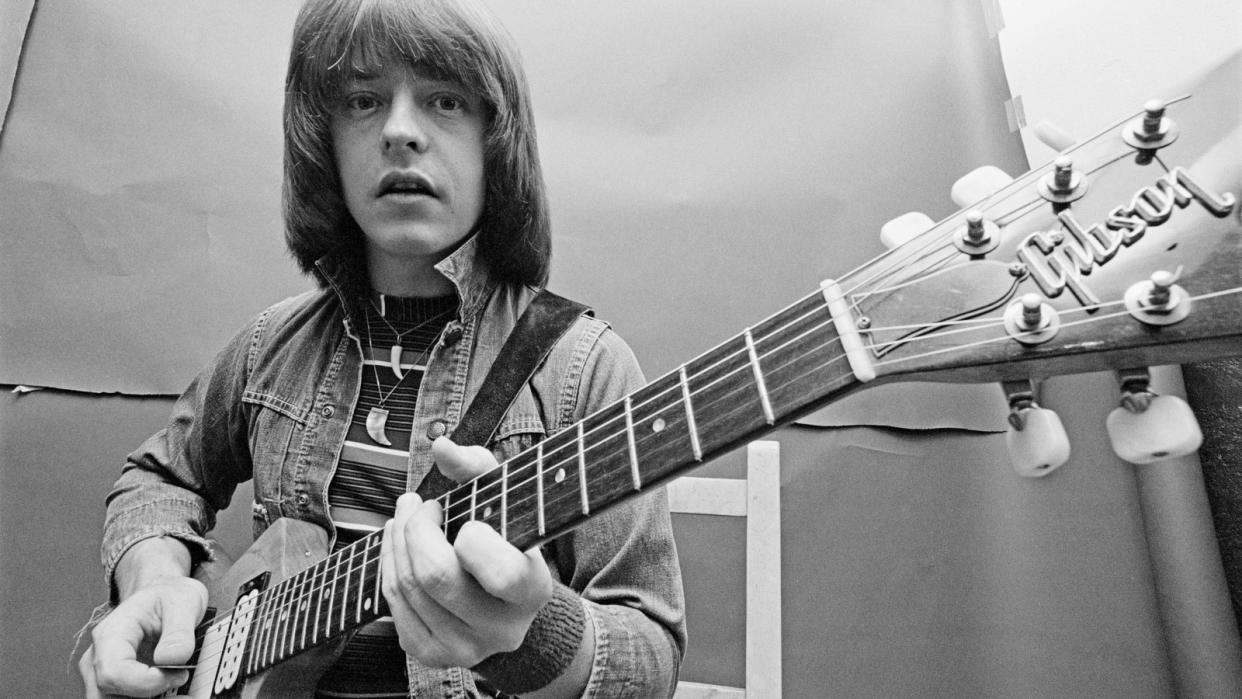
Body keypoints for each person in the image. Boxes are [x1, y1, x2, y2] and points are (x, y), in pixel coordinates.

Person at [78, 0, 686, 696]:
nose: (400, 131)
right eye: (364, 101)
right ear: (323, 142)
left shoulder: (585, 369)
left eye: (446, 100)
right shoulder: (269, 347)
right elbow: (159, 477)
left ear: (496, 141)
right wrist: (155, 579)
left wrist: (533, 635)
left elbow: (652, 658)